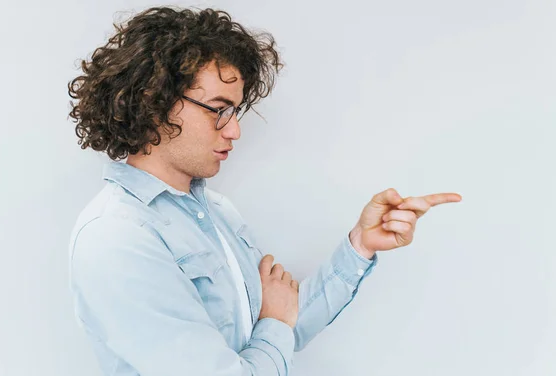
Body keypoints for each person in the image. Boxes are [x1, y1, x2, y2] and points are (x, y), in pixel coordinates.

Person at [67, 6, 462, 376]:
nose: (234, 130)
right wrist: (274, 321)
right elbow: (272, 329)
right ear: (153, 102)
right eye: (218, 109)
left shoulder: (216, 212)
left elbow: (280, 329)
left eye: (235, 112)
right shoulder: (118, 236)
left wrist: (360, 245)